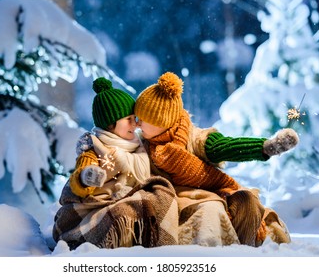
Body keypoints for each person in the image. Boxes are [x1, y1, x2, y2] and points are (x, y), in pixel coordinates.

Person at [134, 72, 297, 247]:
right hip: (175, 203)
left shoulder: (195, 138)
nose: (137, 123)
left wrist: (265, 146)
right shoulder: (141, 145)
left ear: (161, 120)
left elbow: (225, 147)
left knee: (246, 202)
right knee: (207, 212)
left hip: (209, 193)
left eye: (142, 119)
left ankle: (246, 252)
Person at [52, 77, 179, 249]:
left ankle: (153, 242)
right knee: (123, 212)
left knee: (160, 196)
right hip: (101, 203)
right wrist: (86, 177)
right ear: (111, 124)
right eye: (129, 119)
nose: (135, 124)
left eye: (135, 118)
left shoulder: (138, 144)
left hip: (129, 195)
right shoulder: (96, 147)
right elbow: (80, 177)